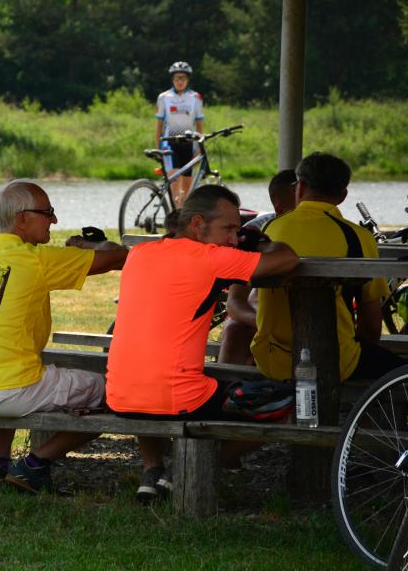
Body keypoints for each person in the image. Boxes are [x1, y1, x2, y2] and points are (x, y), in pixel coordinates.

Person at [106, 184, 299, 502]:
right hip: (180, 399)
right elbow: (287, 259)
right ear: (197, 224)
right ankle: (182, 472)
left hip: (120, 395)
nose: (234, 239)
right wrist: (260, 241)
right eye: (229, 229)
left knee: (152, 377)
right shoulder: (211, 258)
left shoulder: (140, 253)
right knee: (283, 406)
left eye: (238, 231)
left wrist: (237, 240)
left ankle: (153, 470)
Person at [0, 179, 129, 494]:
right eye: (47, 212)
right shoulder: (37, 259)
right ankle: (34, 464)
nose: (54, 219)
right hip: (9, 391)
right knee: (117, 392)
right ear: (22, 219)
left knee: (2, 373)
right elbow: (119, 257)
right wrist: (92, 246)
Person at [251, 152, 405, 382]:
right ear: (343, 195)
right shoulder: (358, 237)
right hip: (337, 360)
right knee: (404, 373)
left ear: (300, 187)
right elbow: (372, 325)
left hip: (272, 361)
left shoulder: (270, 229)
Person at [218, 169, 298, 365]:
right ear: (279, 209)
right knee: (234, 330)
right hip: (262, 318)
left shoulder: (338, 229)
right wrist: (260, 322)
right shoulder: (255, 232)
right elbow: (234, 304)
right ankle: (226, 383)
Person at [156, 61, 204, 208]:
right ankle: (175, 213)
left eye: (183, 78)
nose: (180, 81)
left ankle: (181, 214)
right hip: (170, 143)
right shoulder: (164, 97)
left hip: (189, 144)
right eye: (177, 78)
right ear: (172, 79)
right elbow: (159, 125)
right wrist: (158, 146)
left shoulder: (195, 97)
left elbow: (199, 124)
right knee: (175, 183)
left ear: (188, 79)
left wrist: (199, 147)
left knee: (187, 191)